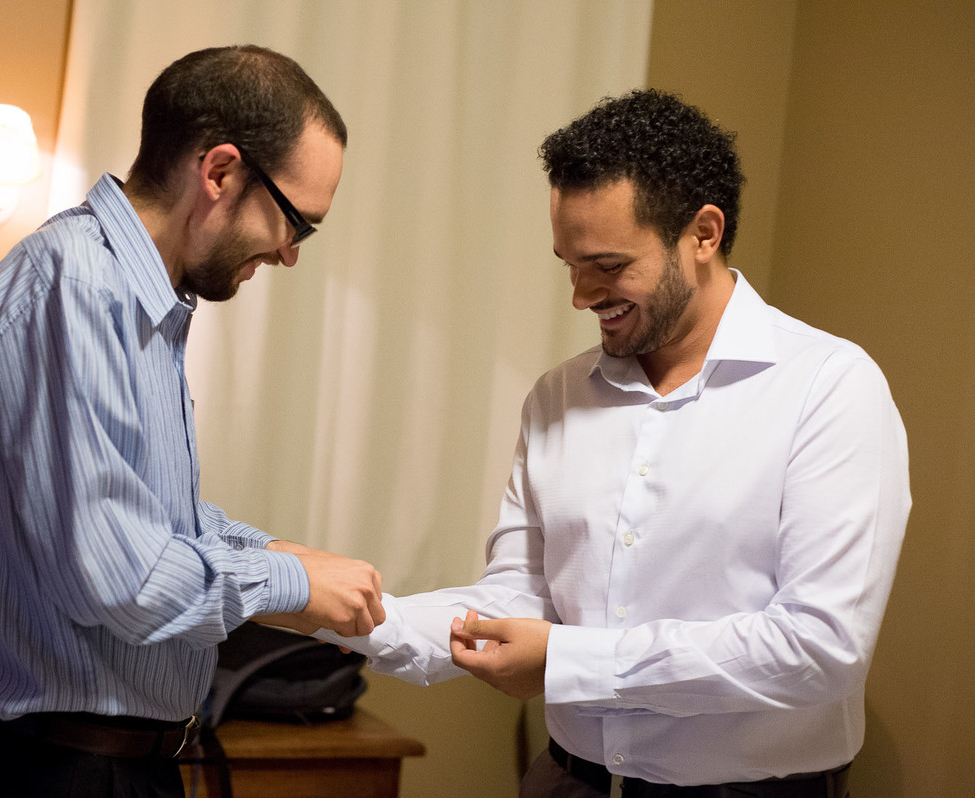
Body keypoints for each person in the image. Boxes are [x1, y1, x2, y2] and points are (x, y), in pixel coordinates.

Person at [312, 89, 911, 796]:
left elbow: (820, 649)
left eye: (608, 265)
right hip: (565, 782)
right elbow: (519, 597)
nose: (581, 295)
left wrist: (570, 663)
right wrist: (335, 611)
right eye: (569, 263)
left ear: (704, 234)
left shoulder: (829, 387)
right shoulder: (557, 396)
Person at [0, 45, 384, 798]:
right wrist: (289, 581)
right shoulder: (73, 282)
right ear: (220, 172)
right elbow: (120, 575)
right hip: (55, 774)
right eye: (295, 223)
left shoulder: (145, 305)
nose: (289, 254)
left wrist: (271, 551)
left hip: (114, 766)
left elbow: (148, 518)